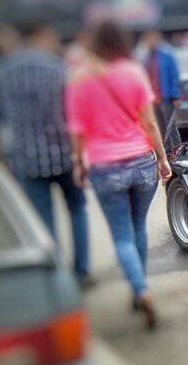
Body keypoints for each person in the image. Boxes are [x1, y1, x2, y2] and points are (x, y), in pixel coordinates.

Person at [66, 21, 172, 328]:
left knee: (123, 235)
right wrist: (162, 158)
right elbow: (150, 123)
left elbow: (77, 132)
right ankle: (140, 285)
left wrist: (79, 163)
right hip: (142, 161)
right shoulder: (133, 72)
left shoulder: (79, 80)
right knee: (138, 228)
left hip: (106, 167)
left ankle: (141, 289)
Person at [0, 22, 91, 286]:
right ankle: (82, 271)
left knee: (44, 219)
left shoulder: (3, 74)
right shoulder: (58, 69)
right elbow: (75, 112)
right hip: (65, 154)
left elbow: (2, 119)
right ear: (41, 37)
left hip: (28, 161)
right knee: (78, 210)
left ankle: (58, 279)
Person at [139, 29, 181, 152]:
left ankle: (178, 149)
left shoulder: (167, 56)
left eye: (152, 39)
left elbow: (174, 76)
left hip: (166, 97)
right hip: (153, 99)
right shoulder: (147, 58)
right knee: (160, 127)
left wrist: (176, 95)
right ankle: (166, 151)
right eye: (147, 40)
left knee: (170, 127)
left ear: (157, 39)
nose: (150, 42)